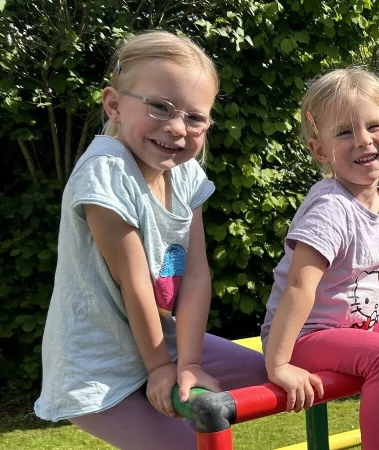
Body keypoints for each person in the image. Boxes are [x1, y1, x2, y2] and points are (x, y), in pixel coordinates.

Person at [34, 31, 267, 449]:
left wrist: (189, 362)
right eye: (160, 106)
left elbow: (195, 275)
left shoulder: (186, 175)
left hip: (162, 341)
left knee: (268, 378)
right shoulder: (106, 172)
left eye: (195, 118)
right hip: (99, 364)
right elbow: (134, 280)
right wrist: (162, 368)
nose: (177, 127)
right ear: (114, 105)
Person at [260, 68, 379, 450]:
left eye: (373, 127)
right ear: (321, 150)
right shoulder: (331, 206)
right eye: (345, 132)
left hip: (356, 329)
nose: (363, 141)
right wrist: (279, 364)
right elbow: (300, 286)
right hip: (303, 336)